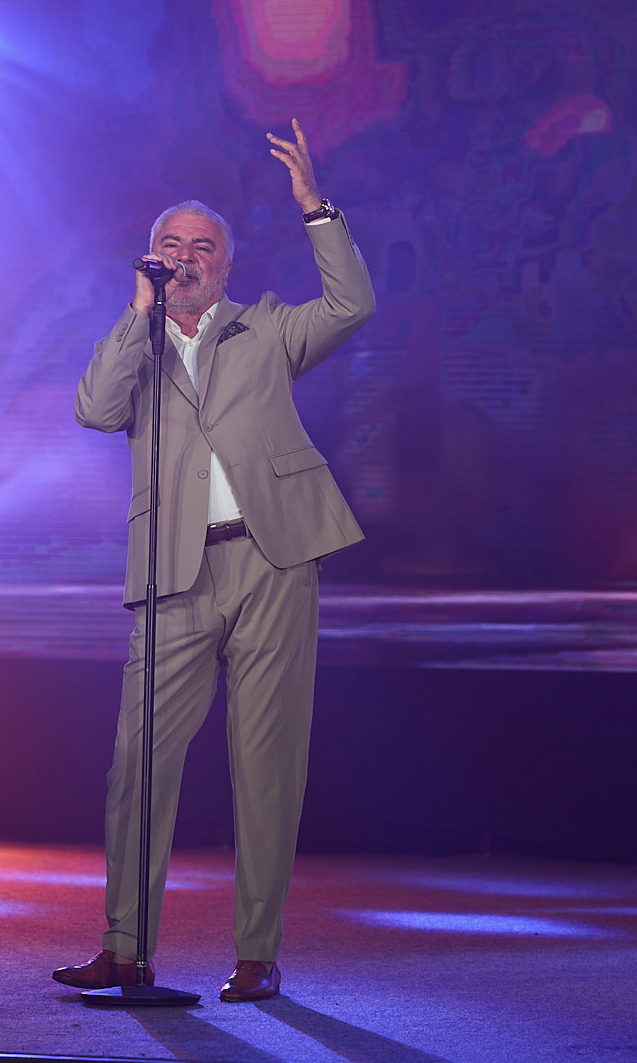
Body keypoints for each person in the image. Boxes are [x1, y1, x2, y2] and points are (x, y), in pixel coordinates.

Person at [61, 120, 374, 1002]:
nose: (185, 257)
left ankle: (257, 954)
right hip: (172, 574)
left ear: (227, 267)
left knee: (267, 763)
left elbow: (351, 306)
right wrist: (139, 312)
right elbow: (94, 410)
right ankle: (125, 948)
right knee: (138, 762)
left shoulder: (266, 330)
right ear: (150, 259)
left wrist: (315, 208)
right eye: (171, 245)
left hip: (273, 560)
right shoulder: (136, 342)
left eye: (202, 247)